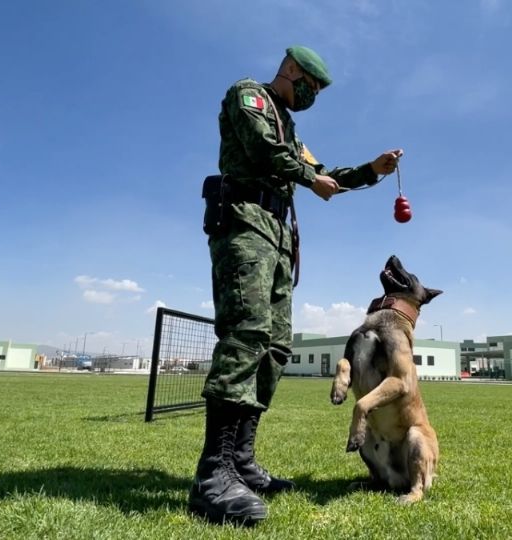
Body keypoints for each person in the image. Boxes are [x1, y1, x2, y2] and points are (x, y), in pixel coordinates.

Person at [191, 45, 403, 525]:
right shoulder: (251, 96)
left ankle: (241, 461)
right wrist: (310, 179)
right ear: (290, 70)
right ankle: (213, 475)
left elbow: (323, 175)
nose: (312, 95)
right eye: (310, 85)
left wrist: (371, 171)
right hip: (244, 224)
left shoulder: (293, 131)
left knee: (275, 348)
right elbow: (266, 152)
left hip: (278, 236)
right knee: (246, 336)